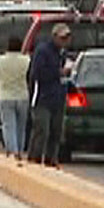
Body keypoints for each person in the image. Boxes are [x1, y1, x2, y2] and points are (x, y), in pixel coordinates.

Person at [28, 22, 71, 166]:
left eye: (67, 38)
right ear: (54, 37)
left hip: (58, 98)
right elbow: (37, 74)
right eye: (62, 38)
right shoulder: (42, 51)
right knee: (42, 130)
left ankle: (51, 159)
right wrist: (57, 73)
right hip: (42, 98)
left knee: (56, 131)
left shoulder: (62, 53)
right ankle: (34, 158)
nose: (65, 41)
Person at [0, 35, 30, 162]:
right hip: (22, 96)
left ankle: (12, 151)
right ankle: (19, 149)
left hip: (5, 96)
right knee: (21, 126)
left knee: (8, 126)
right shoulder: (26, 60)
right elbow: (30, 77)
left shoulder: (0, 60)